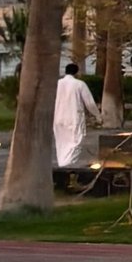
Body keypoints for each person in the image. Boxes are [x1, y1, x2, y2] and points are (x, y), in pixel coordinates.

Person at [52, 61, 97, 193]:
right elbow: (89, 102)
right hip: (73, 117)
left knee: (61, 143)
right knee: (75, 142)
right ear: (77, 72)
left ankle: (62, 166)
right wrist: (97, 115)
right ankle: (66, 168)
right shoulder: (79, 84)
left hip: (58, 118)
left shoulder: (57, 84)